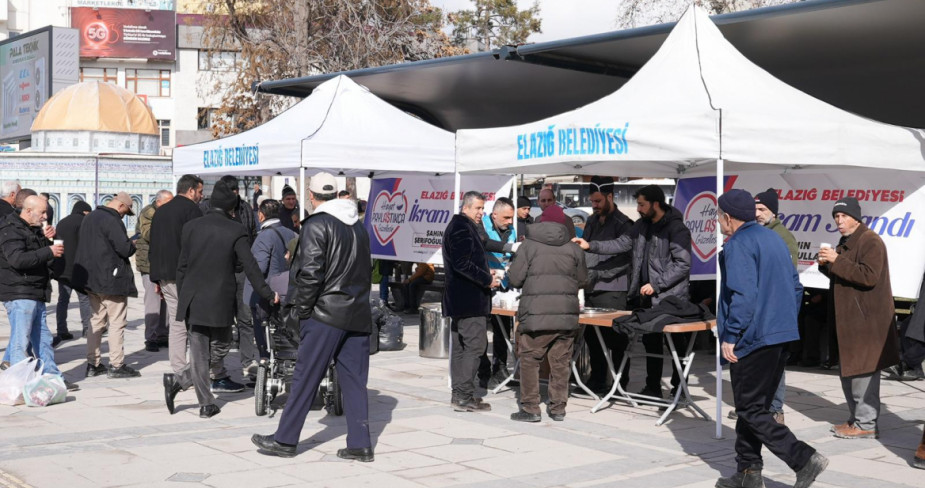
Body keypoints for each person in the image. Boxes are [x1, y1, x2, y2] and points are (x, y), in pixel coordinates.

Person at [250, 173, 374, 460]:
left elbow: (309, 273)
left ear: (311, 194)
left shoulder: (317, 224)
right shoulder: (358, 226)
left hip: (326, 313)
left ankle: (285, 440)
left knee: (305, 377)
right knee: (354, 381)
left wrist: (302, 312)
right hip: (356, 311)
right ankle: (360, 444)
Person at [715, 189, 827, 488]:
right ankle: (747, 473)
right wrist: (783, 321)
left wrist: (731, 335)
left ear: (728, 217)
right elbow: (795, 286)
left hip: (753, 337)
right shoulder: (773, 238)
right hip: (779, 333)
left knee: (750, 408)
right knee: (755, 407)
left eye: (718, 216)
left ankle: (803, 458)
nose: (718, 222)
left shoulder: (739, 243)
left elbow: (743, 294)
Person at [164, 180, 278, 419]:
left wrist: (184, 298)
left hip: (194, 297)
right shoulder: (236, 229)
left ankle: (180, 380)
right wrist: (268, 293)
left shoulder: (192, 227)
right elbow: (251, 267)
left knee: (210, 349)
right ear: (231, 207)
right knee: (216, 347)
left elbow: (181, 267)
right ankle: (206, 404)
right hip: (220, 299)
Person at [573, 185, 691, 399]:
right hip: (645, 297)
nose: (638, 208)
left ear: (656, 204)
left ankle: (679, 388)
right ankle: (653, 387)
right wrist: (590, 245)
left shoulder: (676, 229)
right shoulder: (640, 226)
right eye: (638, 204)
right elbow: (620, 243)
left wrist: (658, 284)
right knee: (650, 341)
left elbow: (683, 264)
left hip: (671, 297)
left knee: (675, 345)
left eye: (642, 204)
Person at [151, 175, 246, 392]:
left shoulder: (161, 210)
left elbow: (154, 244)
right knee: (201, 328)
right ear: (192, 190)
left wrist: (156, 277)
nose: (202, 196)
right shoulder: (192, 212)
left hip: (165, 276)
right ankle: (211, 374)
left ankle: (180, 370)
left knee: (177, 325)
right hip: (188, 278)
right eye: (200, 192)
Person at [818, 197, 900, 439]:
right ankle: (856, 419)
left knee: (863, 373)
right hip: (850, 321)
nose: (839, 221)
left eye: (844, 216)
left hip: (866, 321)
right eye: (836, 216)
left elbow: (869, 276)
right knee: (849, 372)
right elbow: (845, 275)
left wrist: (836, 260)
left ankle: (866, 423)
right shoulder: (847, 242)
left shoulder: (870, 240)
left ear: (856, 217)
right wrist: (826, 265)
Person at [508, 204, 587, 422]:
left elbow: (515, 279)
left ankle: (531, 408)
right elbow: (582, 280)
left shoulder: (528, 246)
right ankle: (558, 408)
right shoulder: (574, 248)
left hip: (536, 315)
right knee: (561, 361)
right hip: (566, 315)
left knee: (530, 359)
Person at [0, 195, 75, 390]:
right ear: (28, 211)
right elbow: (17, 260)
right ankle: (19, 384)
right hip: (19, 291)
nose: (45, 216)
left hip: (35, 290)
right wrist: (48, 251)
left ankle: (52, 376)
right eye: (42, 212)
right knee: (20, 342)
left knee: (43, 339)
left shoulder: (32, 229)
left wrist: (46, 239)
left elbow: (43, 260)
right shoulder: (10, 229)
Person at [442, 191, 500, 412]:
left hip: (461, 298)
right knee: (475, 346)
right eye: (478, 208)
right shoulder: (461, 227)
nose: (481, 213)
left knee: (461, 347)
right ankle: (464, 395)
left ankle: (460, 394)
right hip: (468, 299)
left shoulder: (462, 226)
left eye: (482, 209)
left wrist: (486, 271)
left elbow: (466, 261)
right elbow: (461, 263)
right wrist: (487, 279)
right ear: (465, 207)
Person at [72, 192, 140, 379]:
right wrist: (132, 244)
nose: (124, 216)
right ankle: (116, 365)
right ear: (120, 205)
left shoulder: (90, 216)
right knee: (117, 322)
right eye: (125, 212)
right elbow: (124, 249)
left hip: (92, 280)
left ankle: (93, 364)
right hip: (111, 279)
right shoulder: (112, 220)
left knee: (96, 321)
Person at [580, 176, 634, 395]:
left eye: (598, 201)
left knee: (616, 340)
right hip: (592, 287)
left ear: (610, 197)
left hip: (614, 289)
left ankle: (621, 384)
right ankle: (597, 380)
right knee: (592, 337)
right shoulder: (592, 221)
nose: (594, 205)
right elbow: (585, 251)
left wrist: (601, 273)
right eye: (592, 201)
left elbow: (624, 255)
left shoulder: (624, 224)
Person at [204, 176, 259, 381]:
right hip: (222, 271)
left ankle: (247, 361)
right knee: (221, 320)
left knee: (245, 318)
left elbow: (253, 234)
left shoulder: (245, 209)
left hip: (243, 271)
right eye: (231, 190)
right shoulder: (213, 210)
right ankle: (217, 366)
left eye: (236, 189)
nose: (235, 193)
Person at [754, 188, 798, 425]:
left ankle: (775, 409)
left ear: (774, 212)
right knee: (759, 361)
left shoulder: (783, 237)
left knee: (775, 362)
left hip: (775, 310)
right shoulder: (756, 234)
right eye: (755, 209)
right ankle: (758, 406)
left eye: (762, 209)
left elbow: (787, 277)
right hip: (759, 309)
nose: (757, 213)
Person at [249, 198, 296, 360]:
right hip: (290, 291)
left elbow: (259, 269)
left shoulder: (263, 237)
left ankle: (265, 359)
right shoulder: (292, 233)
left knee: (263, 330)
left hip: (268, 293)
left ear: (261, 215)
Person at [477, 197, 518, 387]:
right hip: (484, 285)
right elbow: (483, 246)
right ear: (494, 215)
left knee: (503, 330)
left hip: (504, 286)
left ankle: (500, 370)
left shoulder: (511, 230)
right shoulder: (481, 227)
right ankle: (483, 372)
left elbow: (511, 255)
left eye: (511, 218)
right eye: (506, 218)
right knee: (480, 332)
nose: (510, 222)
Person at [52, 200, 93, 345]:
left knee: (63, 300)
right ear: (85, 211)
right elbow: (87, 246)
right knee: (84, 299)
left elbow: (56, 245)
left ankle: (61, 330)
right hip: (78, 268)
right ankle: (87, 329)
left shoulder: (62, 222)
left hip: (62, 268)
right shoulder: (84, 222)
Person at [136, 190, 173, 352]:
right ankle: (150, 337)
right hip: (149, 264)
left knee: (166, 299)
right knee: (153, 301)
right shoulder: (148, 213)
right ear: (159, 202)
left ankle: (163, 335)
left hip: (165, 262)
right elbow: (148, 234)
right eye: (168, 203)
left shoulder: (167, 213)